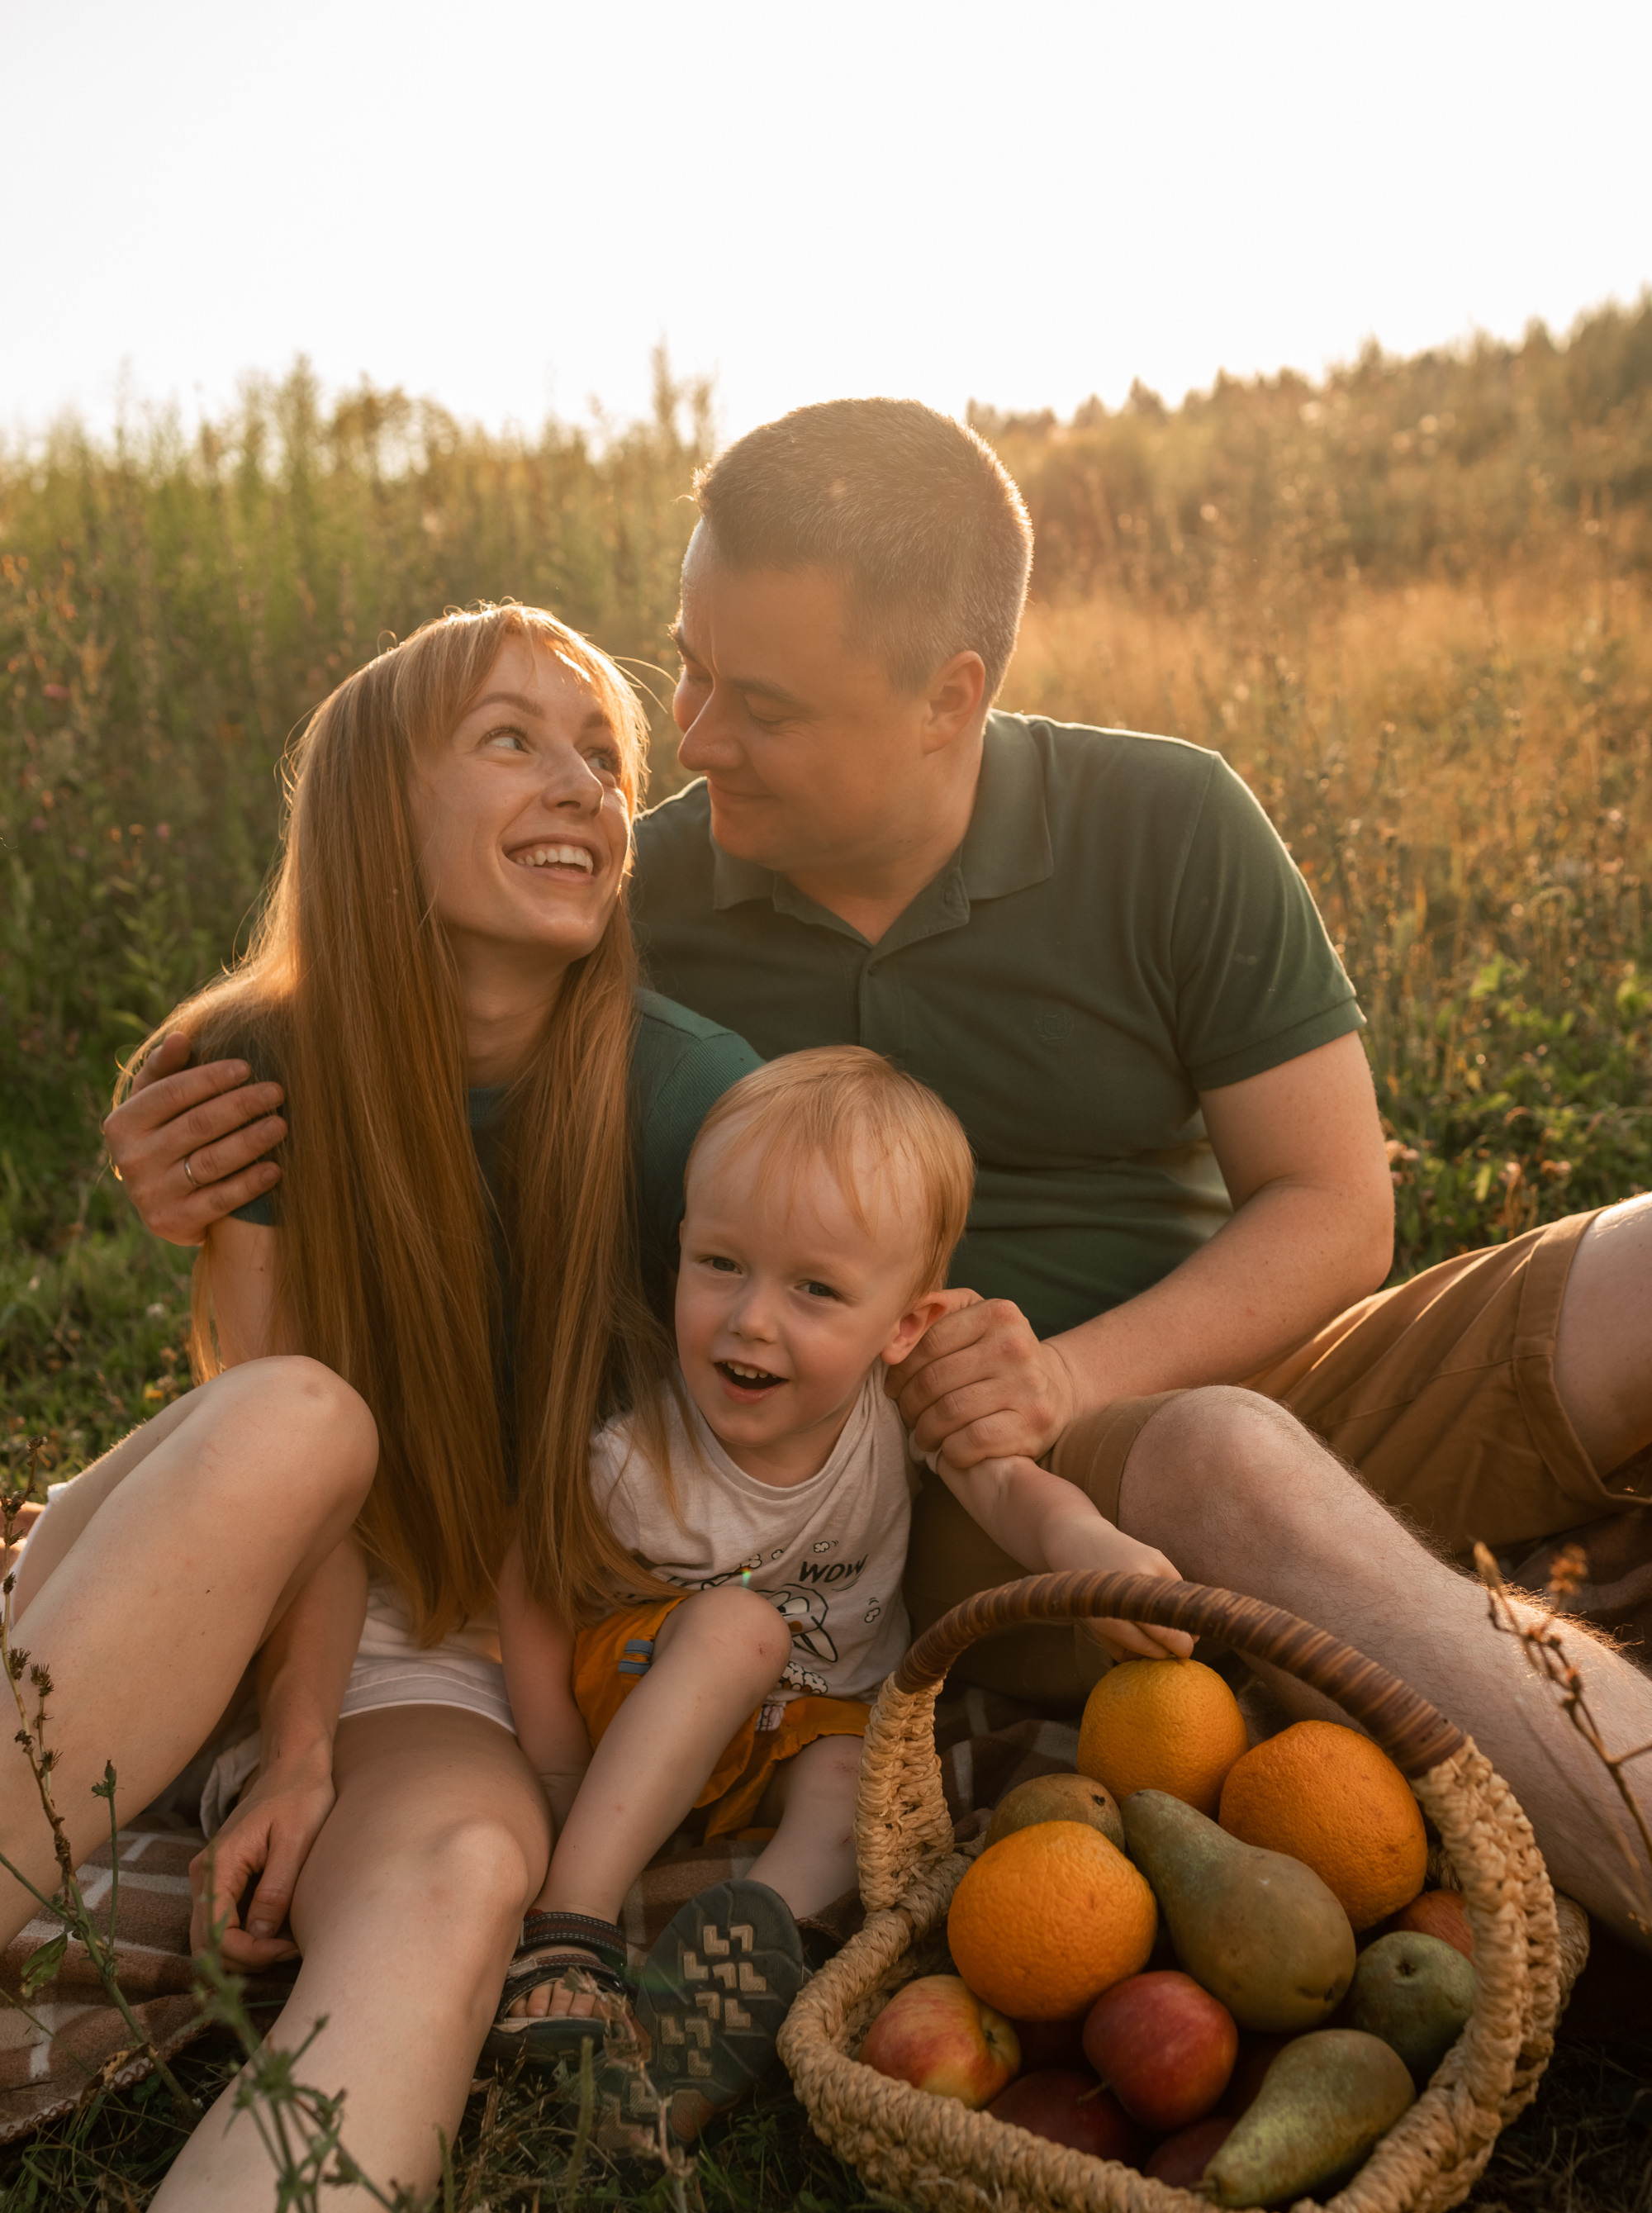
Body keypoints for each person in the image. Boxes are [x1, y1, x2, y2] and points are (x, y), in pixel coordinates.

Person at [106, 401, 1652, 1954]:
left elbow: (1336, 1207)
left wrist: (1061, 1370)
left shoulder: (1169, 822)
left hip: (1217, 1361)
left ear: (947, 696)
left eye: (758, 705)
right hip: (978, 1488)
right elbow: (402, 1056)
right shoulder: (630, 919)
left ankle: (1414, 1624)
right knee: (1224, 1461)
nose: (692, 737)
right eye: (689, 665)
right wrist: (198, 1119)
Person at [8, 601, 765, 2213]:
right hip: (243, 1551)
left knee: (453, 1891)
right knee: (302, 1415)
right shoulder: (246, 1060)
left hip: (469, 1636)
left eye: (602, 749)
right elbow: (275, 1470)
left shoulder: (686, 1092)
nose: (587, 782)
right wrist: (293, 1734)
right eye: (517, 738)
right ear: (372, 800)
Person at [486, 1045, 1189, 2139]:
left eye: (814, 1289)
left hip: (801, 1728)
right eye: (720, 1265)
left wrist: (1098, 1552)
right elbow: (529, 1576)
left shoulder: (896, 1407)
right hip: (645, 1699)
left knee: (859, 1779)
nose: (751, 1320)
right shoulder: (640, 1451)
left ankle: (739, 1959)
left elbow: (1013, 1493)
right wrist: (552, 1762)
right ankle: (570, 1926)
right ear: (679, 1252)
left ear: (904, 1326)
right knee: (737, 1628)